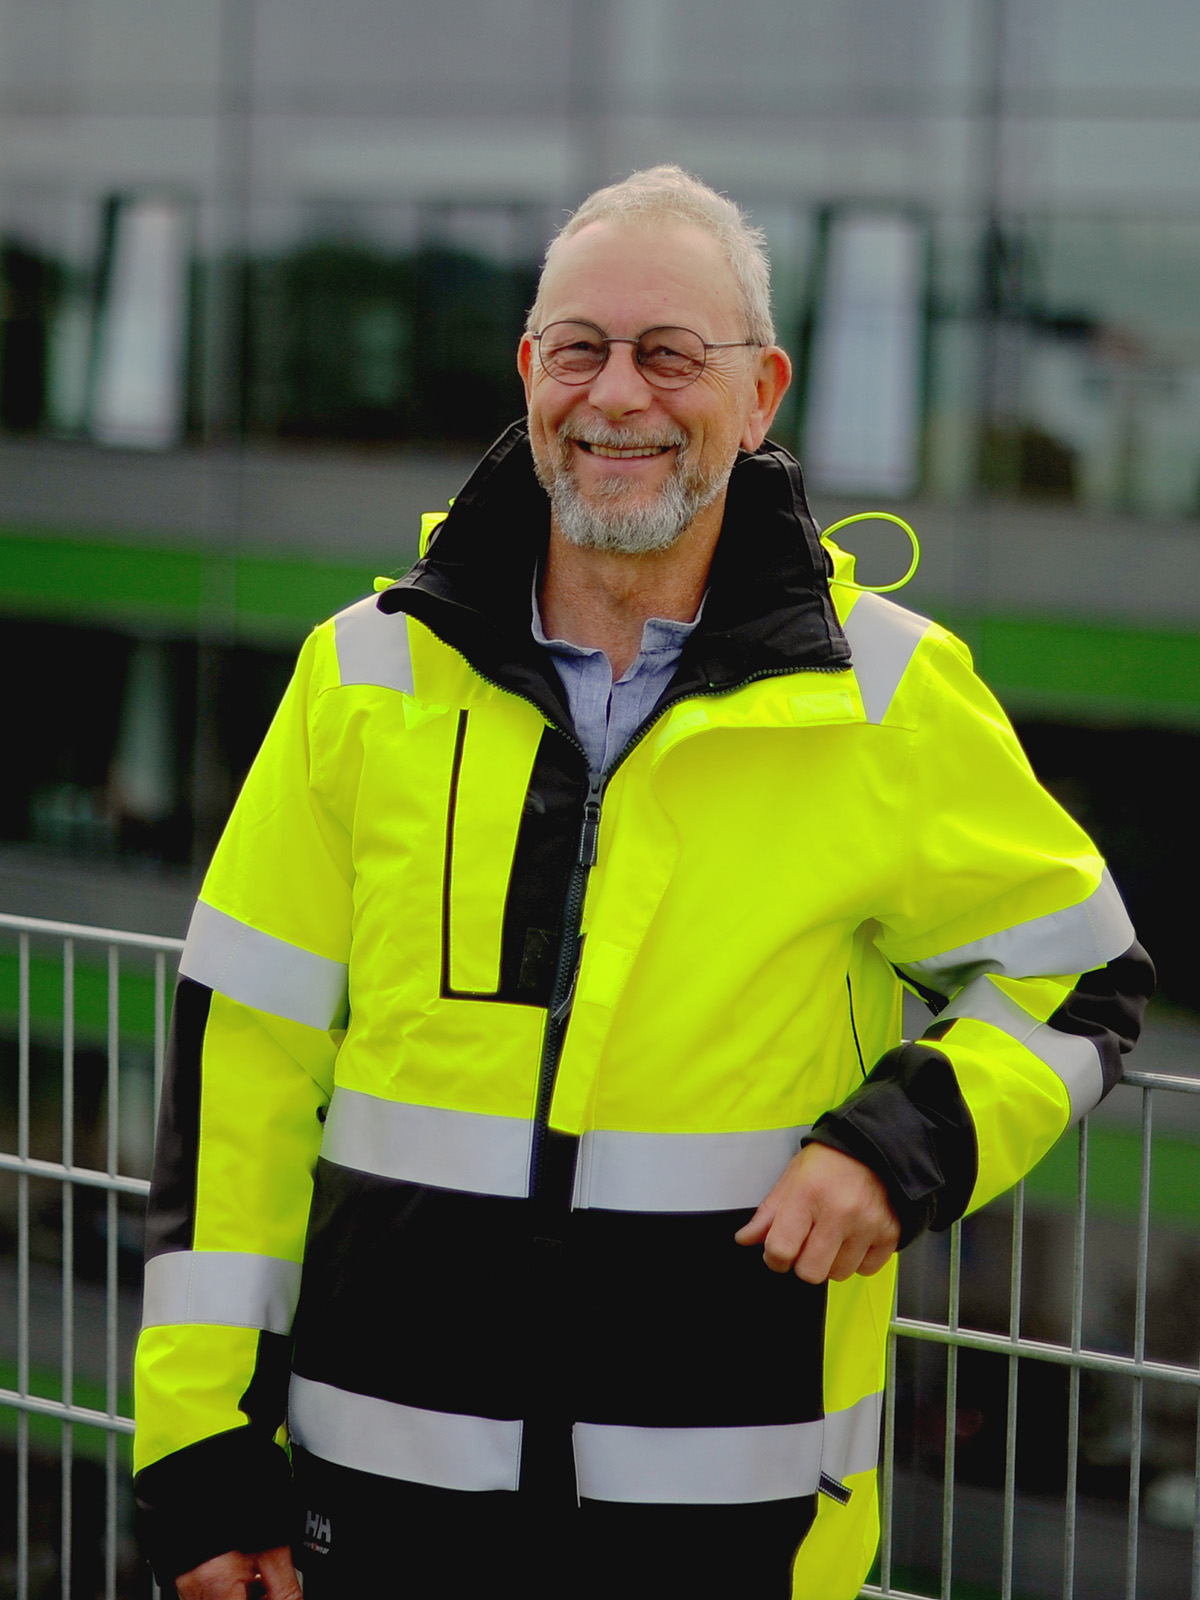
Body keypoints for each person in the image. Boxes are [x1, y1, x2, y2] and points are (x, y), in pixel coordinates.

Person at [133, 166, 1153, 1600]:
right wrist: (196, 1454)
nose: (620, 393)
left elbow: (1084, 975)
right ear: (529, 374)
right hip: (371, 1518)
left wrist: (901, 1143)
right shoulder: (361, 676)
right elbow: (241, 1073)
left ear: (763, 393)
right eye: (581, 349)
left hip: (728, 1525)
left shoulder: (890, 698)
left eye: (674, 353)